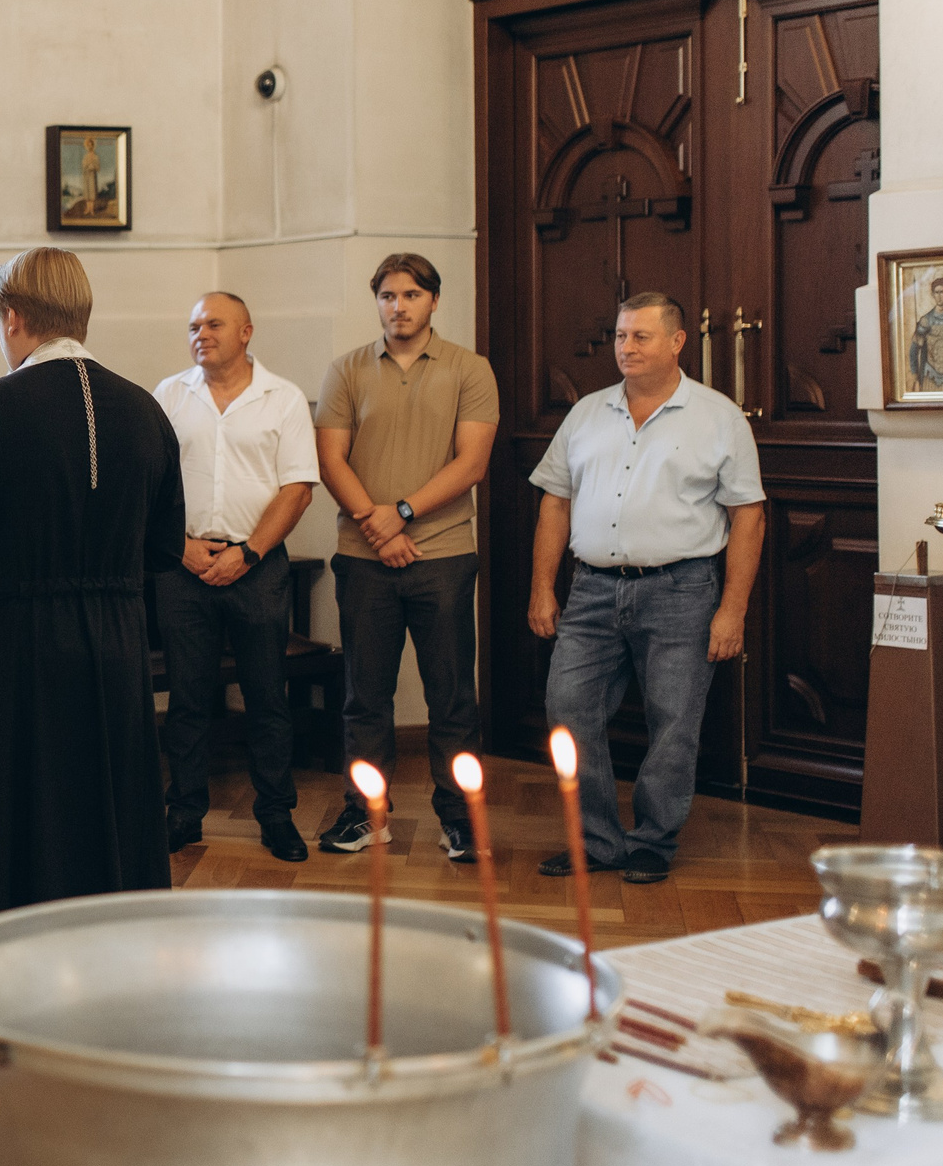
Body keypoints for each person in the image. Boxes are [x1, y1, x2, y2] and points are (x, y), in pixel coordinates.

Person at [0, 247, 185, 932]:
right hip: (116, 647)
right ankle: (109, 964)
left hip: (12, 649)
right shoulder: (145, 410)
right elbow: (163, 549)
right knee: (108, 806)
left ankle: (5, 970)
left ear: (13, 317)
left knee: (10, 815)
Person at [528, 294, 765, 885]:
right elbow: (555, 502)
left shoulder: (718, 416)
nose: (626, 348)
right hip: (590, 590)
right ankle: (597, 841)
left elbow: (749, 516)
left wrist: (732, 610)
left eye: (641, 336)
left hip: (681, 591)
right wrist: (542, 588)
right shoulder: (586, 413)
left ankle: (653, 840)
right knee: (567, 709)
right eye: (620, 336)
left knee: (674, 721)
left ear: (678, 342)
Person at [312, 253, 498, 862]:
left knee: (453, 698)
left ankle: (460, 819)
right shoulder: (346, 369)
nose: (399, 306)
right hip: (363, 557)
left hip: (444, 556)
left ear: (434, 301)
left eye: (412, 295)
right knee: (364, 697)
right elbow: (331, 459)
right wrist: (379, 527)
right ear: (377, 302)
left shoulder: (469, 369)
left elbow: (472, 463)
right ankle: (366, 815)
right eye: (388, 296)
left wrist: (404, 512)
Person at [153, 292, 319, 861]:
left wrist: (247, 553)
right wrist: (181, 548)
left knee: (267, 697)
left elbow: (297, 488)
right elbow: (148, 484)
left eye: (214, 324)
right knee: (187, 699)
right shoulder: (169, 395)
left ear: (246, 332)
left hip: (258, 566)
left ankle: (276, 814)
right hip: (184, 566)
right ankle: (184, 812)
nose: (201, 334)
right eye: (193, 326)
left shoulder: (283, 398)